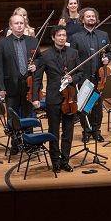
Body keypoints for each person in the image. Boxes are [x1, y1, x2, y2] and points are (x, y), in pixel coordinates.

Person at [32, 25, 84, 173]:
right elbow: (37, 78)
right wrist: (35, 97)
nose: (62, 37)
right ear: (53, 37)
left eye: (64, 35)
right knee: (53, 131)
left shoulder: (73, 53)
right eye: (59, 35)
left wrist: (72, 78)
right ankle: (55, 161)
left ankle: (65, 160)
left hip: (70, 98)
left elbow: (80, 73)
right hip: (53, 98)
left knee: (68, 132)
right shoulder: (45, 55)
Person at [70, 7, 111, 142]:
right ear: (82, 19)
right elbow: (72, 57)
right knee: (85, 106)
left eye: (93, 16)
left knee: (97, 105)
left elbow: (109, 52)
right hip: (84, 78)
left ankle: (96, 130)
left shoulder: (103, 35)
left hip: (99, 78)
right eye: (88, 16)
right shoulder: (76, 38)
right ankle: (86, 131)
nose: (91, 18)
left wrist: (107, 59)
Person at [0, 12, 39, 130]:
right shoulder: (2, 43)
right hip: (11, 85)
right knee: (13, 117)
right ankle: (16, 143)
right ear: (11, 26)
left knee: (28, 114)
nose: (19, 25)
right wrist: (0, 88)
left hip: (28, 85)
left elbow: (40, 59)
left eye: (21, 23)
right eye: (16, 23)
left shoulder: (33, 41)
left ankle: (29, 141)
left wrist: (35, 65)